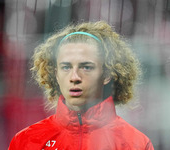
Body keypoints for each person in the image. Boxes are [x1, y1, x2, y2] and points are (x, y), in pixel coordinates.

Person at [8, 21, 154, 150]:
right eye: (66, 67)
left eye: (86, 67)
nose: (75, 77)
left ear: (107, 74)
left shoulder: (136, 144)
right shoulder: (26, 141)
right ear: (56, 74)